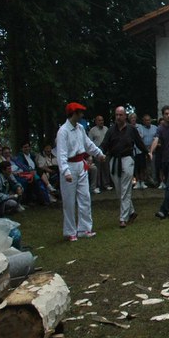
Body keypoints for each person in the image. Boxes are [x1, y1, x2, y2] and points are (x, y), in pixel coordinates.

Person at [56, 102, 106, 241]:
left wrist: (98, 153)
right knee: (69, 201)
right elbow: (61, 153)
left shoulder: (80, 128)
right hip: (70, 165)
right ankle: (70, 231)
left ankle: (84, 229)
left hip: (81, 165)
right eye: (80, 113)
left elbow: (88, 144)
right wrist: (65, 171)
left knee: (85, 197)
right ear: (74, 114)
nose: (82, 115)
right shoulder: (63, 131)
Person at [100, 106, 148, 228]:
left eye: (120, 115)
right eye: (116, 115)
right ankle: (131, 212)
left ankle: (123, 218)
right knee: (119, 190)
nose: (118, 117)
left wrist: (147, 153)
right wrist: (99, 153)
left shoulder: (131, 129)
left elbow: (139, 143)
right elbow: (104, 144)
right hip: (114, 160)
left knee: (125, 189)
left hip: (127, 159)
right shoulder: (111, 130)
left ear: (125, 116)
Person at [88, 115, 113, 193]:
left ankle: (106, 184)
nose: (101, 122)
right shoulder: (92, 130)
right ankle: (97, 186)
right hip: (97, 152)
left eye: (102, 120)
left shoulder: (106, 129)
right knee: (98, 170)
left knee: (106, 168)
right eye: (99, 120)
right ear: (96, 121)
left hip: (106, 152)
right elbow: (89, 142)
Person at [136, 114, 158, 189]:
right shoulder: (141, 128)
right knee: (145, 167)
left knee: (153, 166)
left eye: (149, 120)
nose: (147, 121)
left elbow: (157, 138)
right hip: (143, 150)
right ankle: (147, 181)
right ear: (143, 121)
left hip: (153, 150)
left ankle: (154, 181)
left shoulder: (155, 128)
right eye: (146, 120)